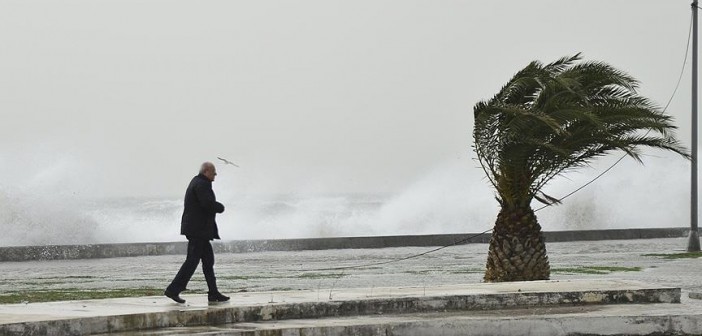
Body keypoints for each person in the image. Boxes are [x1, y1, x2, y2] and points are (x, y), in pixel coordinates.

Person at [164, 162, 230, 303]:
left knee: (208, 262)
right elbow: (206, 203)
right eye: (213, 172)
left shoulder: (198, 181)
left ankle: (213, 293)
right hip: (198, 231)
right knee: (192, 261)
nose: (215, 175)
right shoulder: (202, 184)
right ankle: (173, 289)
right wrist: (220, 207)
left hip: (199, 231)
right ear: (206, 171)